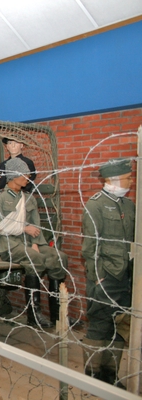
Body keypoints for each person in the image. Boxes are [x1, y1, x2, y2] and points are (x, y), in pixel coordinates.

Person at [0, 157, 67, 328]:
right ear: (12, 176)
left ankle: (58, 315)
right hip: (11, 245)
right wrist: (24, 228)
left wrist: (36, 243)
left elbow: (35, 224)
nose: (27, 177)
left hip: (29, 243)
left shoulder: (29, 199)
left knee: (58, 257)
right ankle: (34, 315)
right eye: (23, 174)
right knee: (35, 259)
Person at [81, 158, 134, 387]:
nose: (131, 180)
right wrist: (97, 277)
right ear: (113, 179)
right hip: (105, 276)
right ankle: (93, 376)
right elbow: (90, 248)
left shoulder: (129, 205)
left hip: (126, 277)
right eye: (127, 176)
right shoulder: (96, 205)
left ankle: (110, 376)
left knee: (120, 326)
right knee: (100, 324)